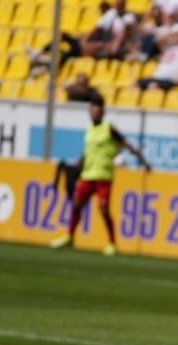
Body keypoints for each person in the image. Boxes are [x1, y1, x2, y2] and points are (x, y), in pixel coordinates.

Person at [50, 97, 151, 256]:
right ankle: (69, 236)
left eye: (97, 110)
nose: (94, 113)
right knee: (76, 204)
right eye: (92, 109)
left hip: (104, 176)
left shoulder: (109, 128)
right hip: (87, 175)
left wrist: (143, 161)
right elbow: (88, 150)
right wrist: (79, 163)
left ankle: (112, 243)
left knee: (103, 209)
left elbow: (126, 144)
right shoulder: (89, 129)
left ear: (102, 112)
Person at [136, 20, 178, 90]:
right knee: (135, 84)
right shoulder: (171, 48)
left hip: (172, 80)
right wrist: (176, 31)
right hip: (157, 78)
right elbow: (158, 39)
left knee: (153, 86)